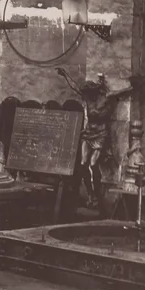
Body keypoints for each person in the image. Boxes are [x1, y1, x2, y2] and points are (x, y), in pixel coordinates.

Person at [55, 68, 135, 207]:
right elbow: (74, 86)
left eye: (88, 93)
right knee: (83, 164)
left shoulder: (106, 97)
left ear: (94, 92)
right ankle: (90, 194)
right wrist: (65, 75)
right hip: (88, 134)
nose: (85, 96)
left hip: (101, 134)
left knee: (93, 164)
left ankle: (97, 193)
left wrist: (134, 86)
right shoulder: (87, 98)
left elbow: (121, 92)